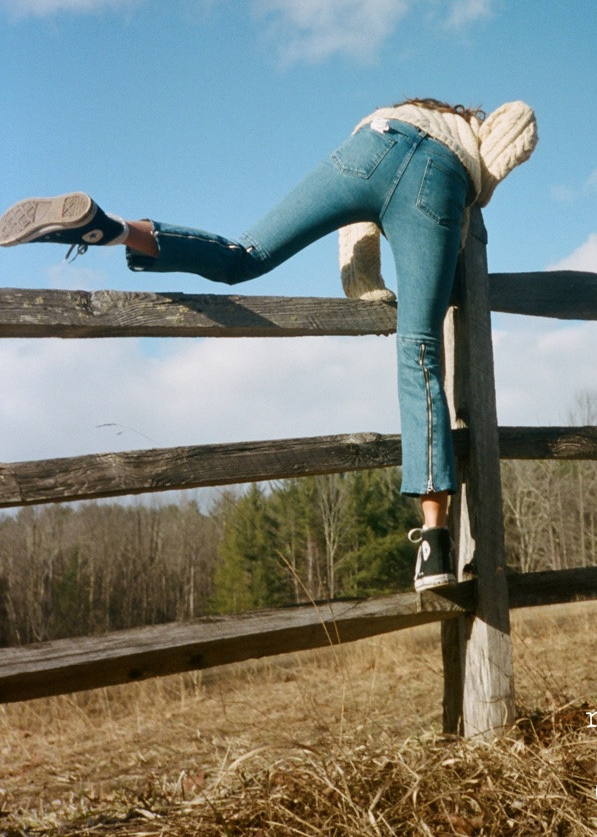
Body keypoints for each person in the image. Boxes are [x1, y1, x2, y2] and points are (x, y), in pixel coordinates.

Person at [0, 97, 537, 591]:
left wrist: (362, 279)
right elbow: (516, 123)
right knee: (419, 346)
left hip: (370, 143)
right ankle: (435, 542)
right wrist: (472, 197)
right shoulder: (470, 133)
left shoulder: (402, 113)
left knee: (244, 254)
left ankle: (112, 227)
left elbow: (362, 227)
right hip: (440, 176)